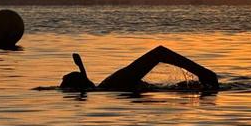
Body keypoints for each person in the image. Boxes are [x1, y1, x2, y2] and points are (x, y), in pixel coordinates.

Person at [60, 45, 219, 92]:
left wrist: (202, 73)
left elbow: (160, 53)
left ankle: (204, 75)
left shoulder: (114, 83)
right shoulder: (110, 85)